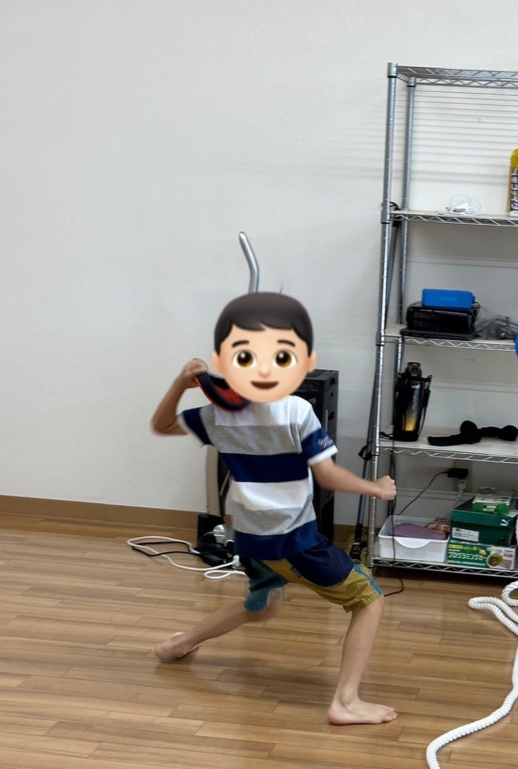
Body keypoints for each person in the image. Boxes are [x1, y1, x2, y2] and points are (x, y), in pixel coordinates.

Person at [150, 292, 397, 725]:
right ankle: (346, 701)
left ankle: (178, 645)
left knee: (262, 605)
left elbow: (162, 424)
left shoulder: (217, 416)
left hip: (250, 536)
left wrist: (179, 383)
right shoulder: (297, 410)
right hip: (291, 538)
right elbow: (328, 476)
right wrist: (375, 488)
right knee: (369, 600)